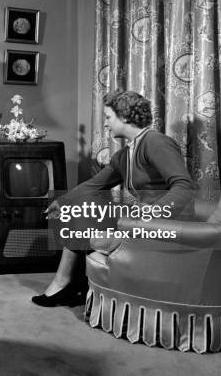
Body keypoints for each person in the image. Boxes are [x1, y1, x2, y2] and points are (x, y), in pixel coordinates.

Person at [32, 90, 194, 307]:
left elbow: (184, 188)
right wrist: (61, 202)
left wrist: (149, 215)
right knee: (78, 209)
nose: (106, 124)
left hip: (163, 225)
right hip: (141, 223)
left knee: (83, 217)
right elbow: (93, 186)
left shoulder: (156, 142)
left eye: (108, 117)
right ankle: (68, 284)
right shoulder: (124, 156)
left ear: (125, 116)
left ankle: (67, 284)